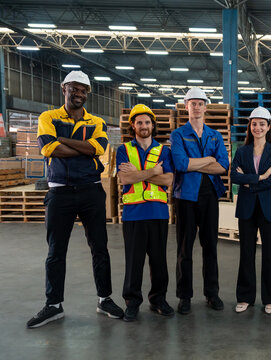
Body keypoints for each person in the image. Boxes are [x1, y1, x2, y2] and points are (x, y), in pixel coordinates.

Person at [28, 70, 123, 328]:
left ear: (87, 93)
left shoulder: (97, 122)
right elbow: (48, 148)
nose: (78, 93)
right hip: (59, 192)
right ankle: (53, 305)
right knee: (56, 251)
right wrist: (81, 148)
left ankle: (105, 299)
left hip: (91, 190)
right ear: (64, 89)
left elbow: (98, 148)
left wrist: (62, 141)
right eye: (74, 88)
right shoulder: (48, 117)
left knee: (100, 248)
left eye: (83, 90)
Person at [171, 87, 229, 314]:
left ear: (206, 107)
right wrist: (207, 160)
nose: (196, 107)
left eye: (200, 103)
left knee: (210, 247)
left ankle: (211, 293)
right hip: (185, 195)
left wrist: (195, 162)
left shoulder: (215, 135)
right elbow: (180, 164)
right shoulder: (178, 134)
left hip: (209, 195)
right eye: (192, 103)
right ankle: (184, 296)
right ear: (186, 106)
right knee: (185, 248)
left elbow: (223, 166)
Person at [116, 104, 174, 321]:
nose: (143, 126)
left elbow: (168, 180)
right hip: (133, 214)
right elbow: (125, 178)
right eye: (139, 122)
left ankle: (158, 300)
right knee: (134, 261)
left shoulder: (163, 150)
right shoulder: (124, 150)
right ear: (133, 125)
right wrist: (152, 172)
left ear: (152, 125)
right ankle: (132, 302)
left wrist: (139, 173)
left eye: (147, 122)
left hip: (158, 213)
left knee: (159, 261)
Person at [230, 107, 271, 315]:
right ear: (250, 127)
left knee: (270, 254)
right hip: (247, 209)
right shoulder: (242, 151)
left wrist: (249, 181)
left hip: (269, 208)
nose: (258, 127)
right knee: (246, 253)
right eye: (254, 124)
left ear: (269, 126)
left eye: (262, 124)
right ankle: (245, 297)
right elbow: (234, 176)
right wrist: (260, 177)